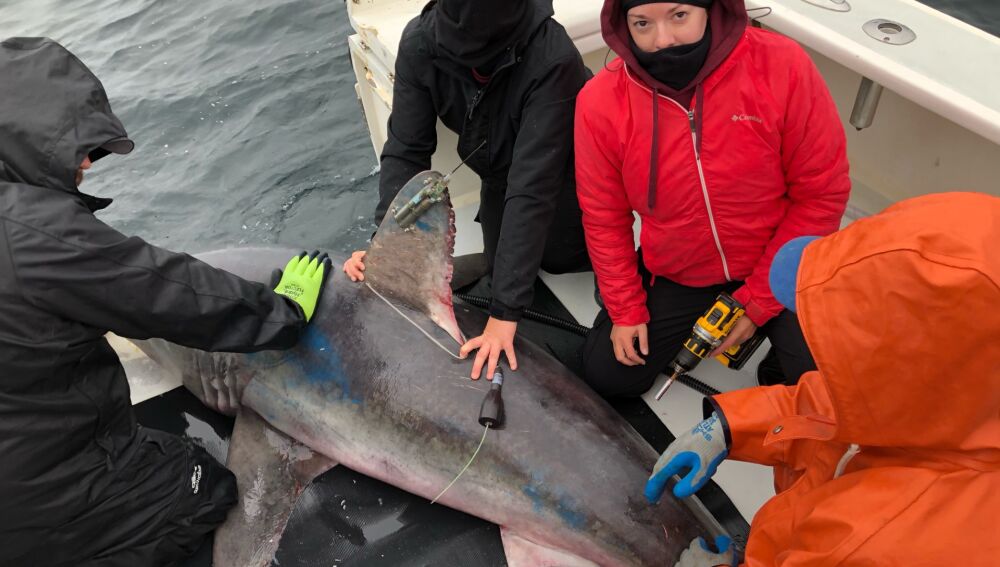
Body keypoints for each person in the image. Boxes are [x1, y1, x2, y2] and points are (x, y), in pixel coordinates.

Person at [0, 38, 331, 566]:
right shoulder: (32, 231)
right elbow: (167, 293)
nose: (88, 162)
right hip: (36, 497)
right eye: (76, 146)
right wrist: (281, 312)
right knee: (205, 488)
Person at [644, 192, 1000, 566]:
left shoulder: (881, 543)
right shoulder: (952, 409)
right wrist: (728, 427)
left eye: (848, 343)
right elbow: (831, 408)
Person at [575, 0, 851, 396]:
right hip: (682, 270)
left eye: (679, 15)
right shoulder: (599, 101)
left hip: (780, 259)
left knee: (826, 387)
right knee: (609, 376)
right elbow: (604, 218)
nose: (663, 40)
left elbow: (821, 194)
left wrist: (758, 303)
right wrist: (625, 308)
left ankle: (778, 355)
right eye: (642, 23)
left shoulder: (782, 63)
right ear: (623, 24)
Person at [343, 0, 592, 381]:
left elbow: (533, 188)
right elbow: (406, 151)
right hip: (499, 172)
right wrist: (385, 243)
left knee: (559, 258)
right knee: (499, 261)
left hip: (568, 165)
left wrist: (504, 314)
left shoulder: (553, 57)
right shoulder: (420, 43)